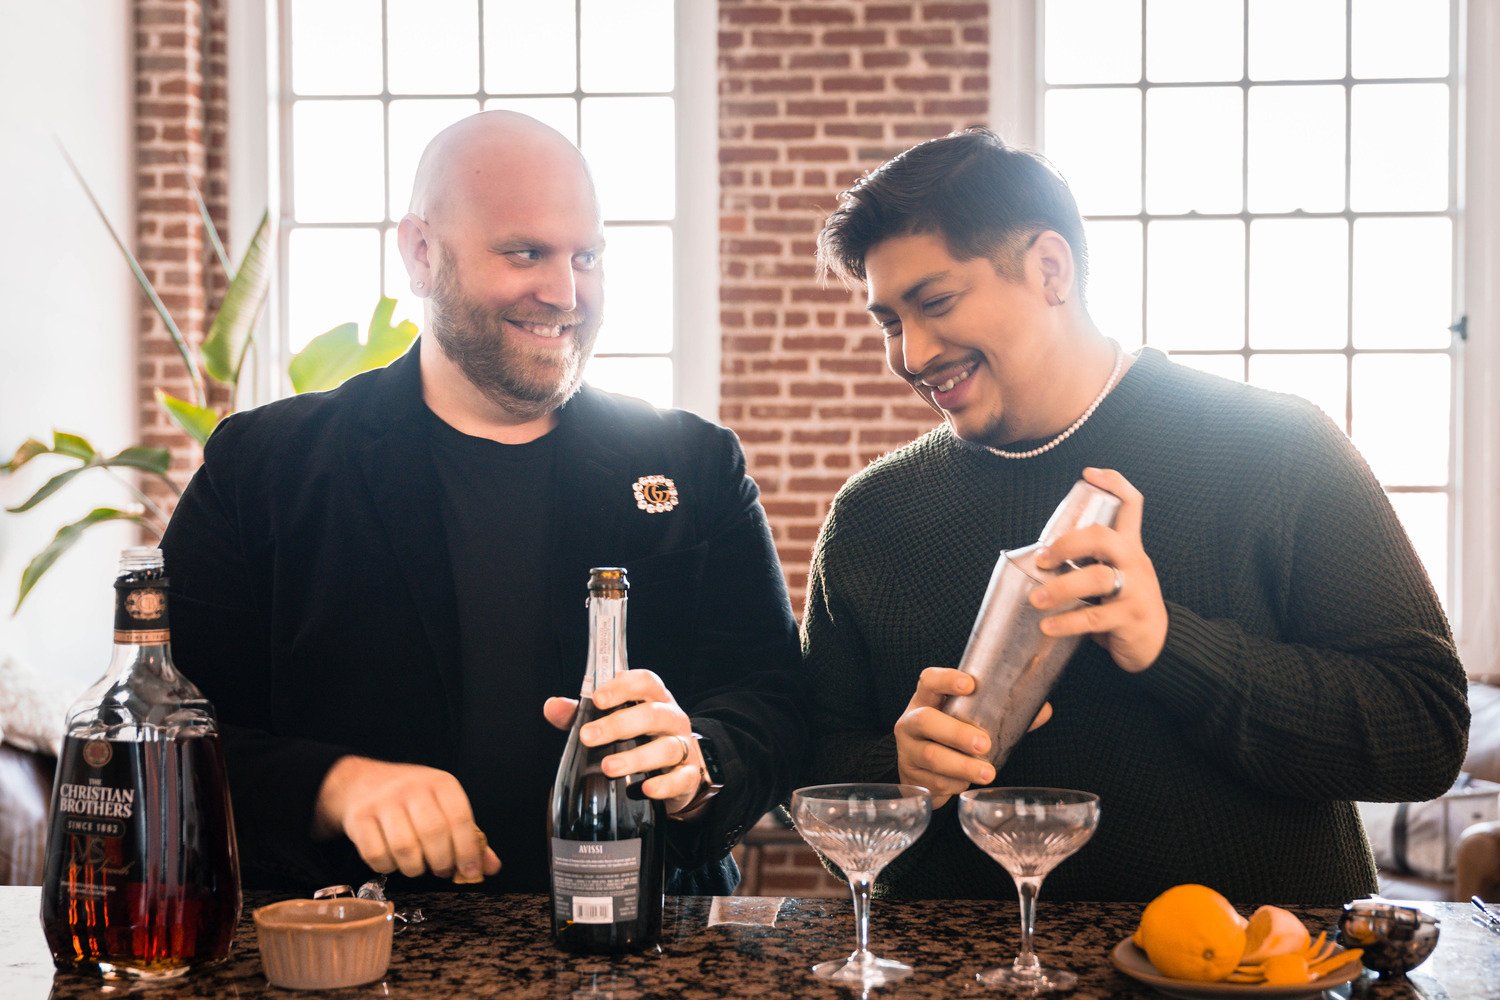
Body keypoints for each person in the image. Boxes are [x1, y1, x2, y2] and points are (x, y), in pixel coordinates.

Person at [803, 127, 1470, 903]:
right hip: (964, 977)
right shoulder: (871, 516)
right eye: (889, 321)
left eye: (937, 302)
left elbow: (1424, 736)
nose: (912, 354)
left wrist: (1169, 644)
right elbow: (814, 762)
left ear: (1050, 268)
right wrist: (899, 774)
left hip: (1253, 974)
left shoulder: (1278, 448)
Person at [161, 111, 806, 895]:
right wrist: (334, 786)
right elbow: (161, 731)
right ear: (422, 253)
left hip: (646, 945)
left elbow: (771, 704)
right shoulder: (264, 467)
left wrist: (701, 761)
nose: (565, 293)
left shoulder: (693, 463)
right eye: (526, 252)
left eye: (587, 257)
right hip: (354, 952)